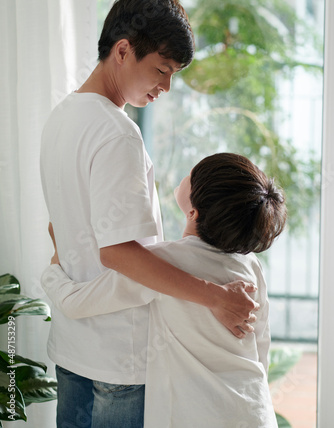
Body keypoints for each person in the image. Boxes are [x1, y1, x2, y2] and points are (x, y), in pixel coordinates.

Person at [40, 0, 258, 428]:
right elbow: (117, 253)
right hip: (120, 363)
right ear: (123, 50)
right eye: (161, 70)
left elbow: (57, 226)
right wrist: (217, 299)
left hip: (71, 347)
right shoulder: (117, 133)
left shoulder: (62, 117)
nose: (166, 86)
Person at [42, 153, 286, 428]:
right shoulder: (250, 265)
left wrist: (55, 261)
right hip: (254, 411)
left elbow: (75, 303)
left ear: (193, 212)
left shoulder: (162, 265)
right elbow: (261, 350)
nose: (186, 174)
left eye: (190, 176)